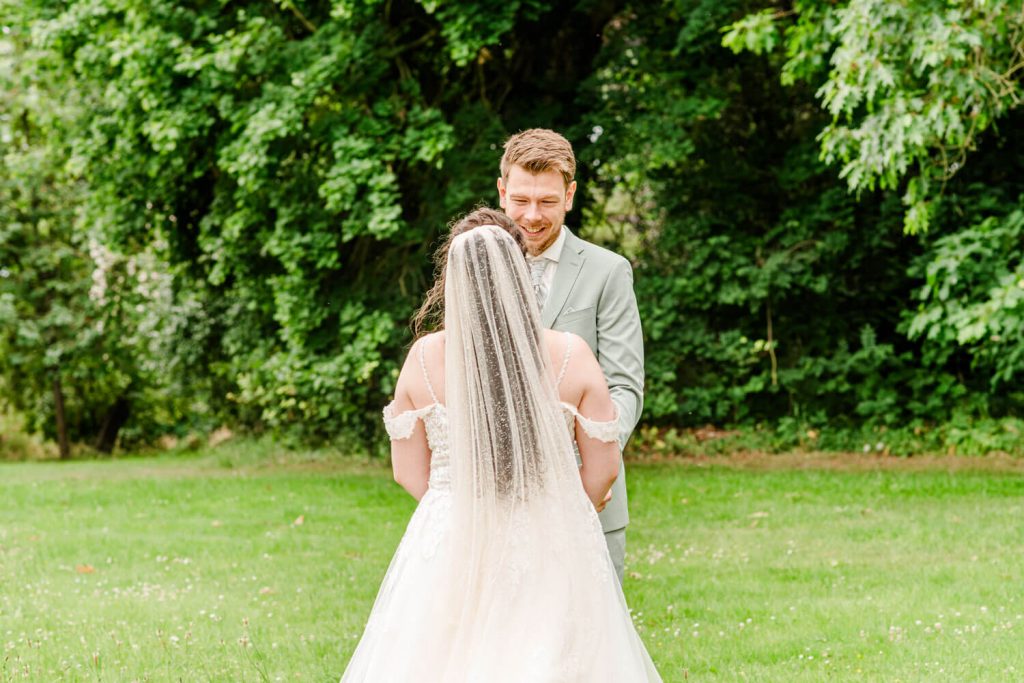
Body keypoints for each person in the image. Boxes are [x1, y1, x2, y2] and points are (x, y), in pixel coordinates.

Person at [340, 216, 661, 681]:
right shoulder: (570, 353)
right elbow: (603, 466)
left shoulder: (425, 358)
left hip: (455, 534)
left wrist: (459, 503)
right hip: (549, 531)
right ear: (519, 273)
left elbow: (408, 473)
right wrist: (569, 506)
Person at [497, 128, 645, 583]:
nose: (532, 216)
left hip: (587, 495)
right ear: (502, 191)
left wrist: (594, 469)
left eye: (546, 201)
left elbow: (624, 386)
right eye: (521, 199)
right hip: (500, 501)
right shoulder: (480, 265)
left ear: (570, 195)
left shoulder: (608, 271)